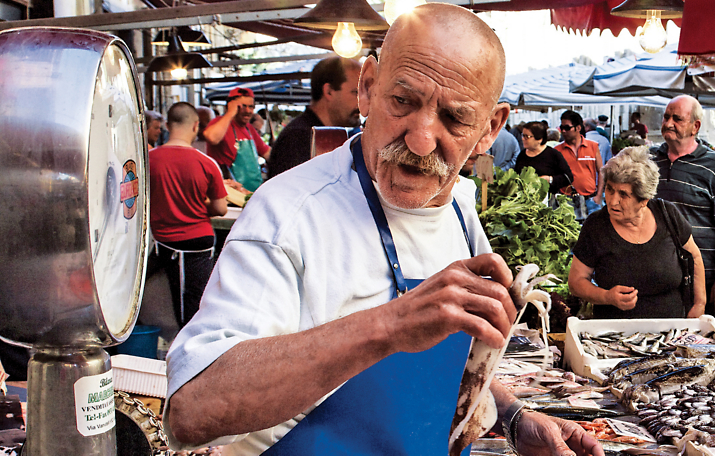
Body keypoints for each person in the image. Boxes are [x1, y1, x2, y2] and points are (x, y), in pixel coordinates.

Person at [163, 5, 604, 456]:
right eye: (403, 102)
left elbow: (455, 367)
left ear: (490, 128)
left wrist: (511, 417)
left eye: (454, 119)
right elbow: (192, 410)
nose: (421, 139)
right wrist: (388, 325)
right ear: (368, 87)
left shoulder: (460, 207)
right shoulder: (288, 214)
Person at [568, 146, 706, 319]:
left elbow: (694, 256)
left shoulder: (667, 215)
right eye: (610, 189)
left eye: (623, 194)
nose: (612, 201)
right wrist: (606, 296)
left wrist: (700, 303)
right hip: (613, 334)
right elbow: (576, 281)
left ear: (644, 200)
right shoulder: (596, 225)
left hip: (670, 329)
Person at [651, 96, 715, 332]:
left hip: (703, 280)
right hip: (658, 280)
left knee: (705, 351)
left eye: (677, 119)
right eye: (666, 117)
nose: (669, 123)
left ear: (696, 126)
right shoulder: (650, 161)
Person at [147, 102, 229, 327]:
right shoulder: (206, 163)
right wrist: (198, 206)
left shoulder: (149, 160)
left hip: (162, 244)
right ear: (196, 126)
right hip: (197, 243)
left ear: (166, 125)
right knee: (194, 310)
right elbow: (221, 208)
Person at [266, 57, 362, 180]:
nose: (363, 101)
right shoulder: (299, 138)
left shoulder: (330, 136)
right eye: (356, 92)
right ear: (329, 92)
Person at [204, 87, 270, 192]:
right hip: (229, 192)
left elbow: (267, 153)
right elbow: (212, 137)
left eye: (251, 107)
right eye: (242, 106)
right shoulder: (220, 122)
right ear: (231, 106)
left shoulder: (249, 129)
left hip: (251, 191)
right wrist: (230, 113)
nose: (248, 111)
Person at [557, 110, 602, 218]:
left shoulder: (593, 146)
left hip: (591, 200)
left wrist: (599, 196)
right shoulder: (557, 150)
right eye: (561, 127)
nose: (563, 131)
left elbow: (602, 172)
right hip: (567, 200)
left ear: (578, 128)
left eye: (567, 128)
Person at [514, 122, 574, 195]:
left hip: (548, 200)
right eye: (522, 135)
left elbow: (568, 177)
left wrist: (549, 179)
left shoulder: (553, 154)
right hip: (525, 199)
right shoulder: (522, 155)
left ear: (539, 139)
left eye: (527, 136)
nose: (523, 139)